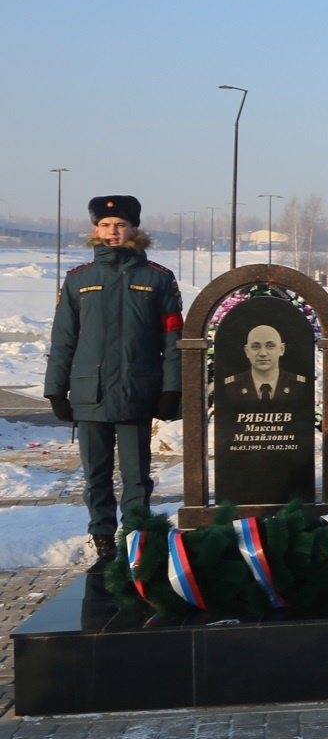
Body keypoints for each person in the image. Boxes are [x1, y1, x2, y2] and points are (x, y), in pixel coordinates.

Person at [43, 195, 183, 570]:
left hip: (138, 391)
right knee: (96, 476)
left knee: (137, 478)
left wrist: (173, 389)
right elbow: (63, 340)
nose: (112, 232)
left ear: (134, 229)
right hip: (90, 393)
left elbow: (173, 341)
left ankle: (137, 539)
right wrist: (55, 389)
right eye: (105, 226)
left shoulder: (158, 279)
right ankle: (103, 539)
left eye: (120, 225)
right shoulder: (78, 281)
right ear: (95, 230)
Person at [218, 324, 311, 404]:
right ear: (247, 351)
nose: (263, 353)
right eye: (255, 347)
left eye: (270, 346)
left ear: (282, 349)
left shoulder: (299, 387)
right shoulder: (231, 388)